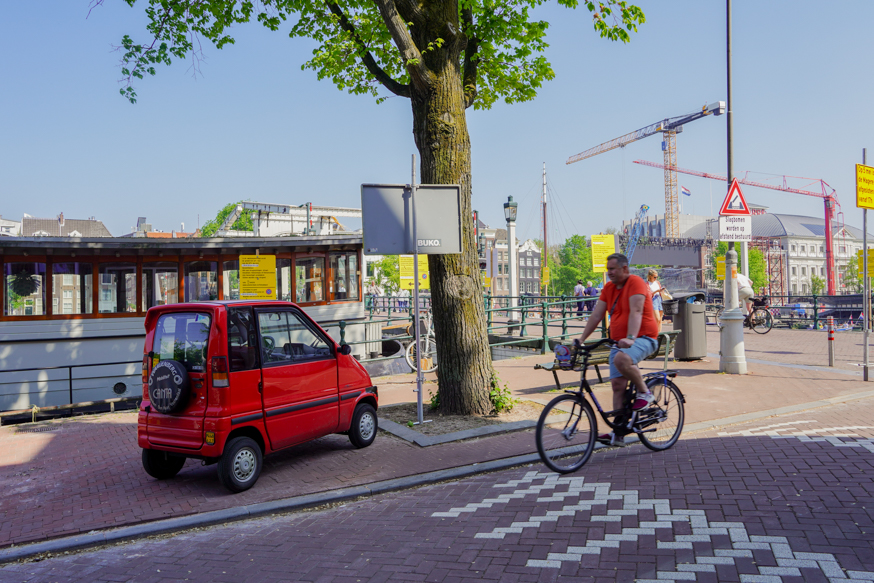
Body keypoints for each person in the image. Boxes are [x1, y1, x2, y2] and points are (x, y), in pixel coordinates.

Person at [576, 253, 659, 446]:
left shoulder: (636, 283)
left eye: (613, 269)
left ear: (625, 269)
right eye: (608, 269)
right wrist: (581, 339)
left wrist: (630, 338)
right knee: (617, 386)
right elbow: (597, 314)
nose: (609, 272)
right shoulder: (609, 288)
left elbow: (637, 311)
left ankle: (645, 392)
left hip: (643, 337)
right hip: (618, 342)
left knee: (622, 360)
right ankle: (618, 433)